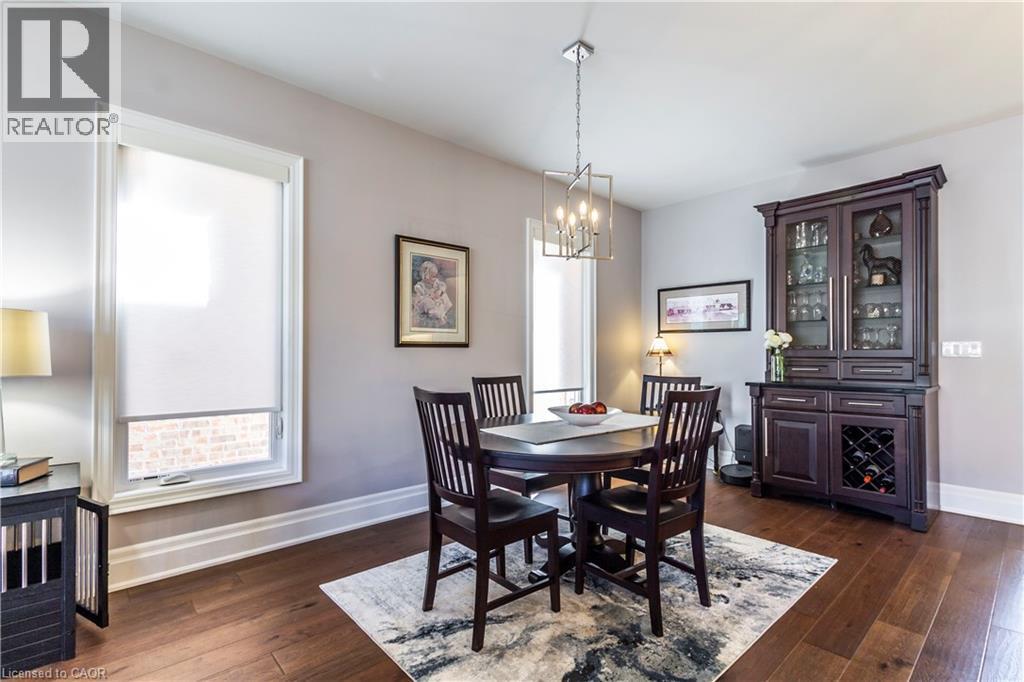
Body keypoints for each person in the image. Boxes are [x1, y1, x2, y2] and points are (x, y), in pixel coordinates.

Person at [412, 259, 453, 328]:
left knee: (443, 295)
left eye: (435, 276)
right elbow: (422, 297)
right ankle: (437, 314)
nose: (434, 278)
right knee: (427, 302)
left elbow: (443, 285)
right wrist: (430, 296)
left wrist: (439, 291)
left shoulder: (435, 282)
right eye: (432, 276)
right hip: (425, 303)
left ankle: (441, 313)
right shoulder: (420, 286)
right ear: (425, 276)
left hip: (436, 300)